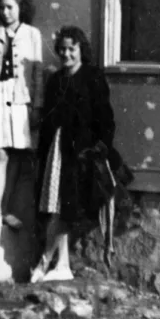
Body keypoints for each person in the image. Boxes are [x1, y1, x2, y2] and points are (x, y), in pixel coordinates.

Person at [31, 26, 116, 283]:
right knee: (57, 205)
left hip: (82, 152)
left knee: (64, 205)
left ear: (81, 50)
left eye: (72, 49)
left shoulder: (92, 76)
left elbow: (105, 116)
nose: (66, 54)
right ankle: (62, 265)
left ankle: (47, 261)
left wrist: (101, 148)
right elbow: (48, 118)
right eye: (63, 49)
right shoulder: (56, 80)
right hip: (57, 149)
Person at [0, 0, 43, 233]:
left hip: (21, 97)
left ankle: (8, 211)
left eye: (10, 8)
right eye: (2, 7)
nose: (5, 13)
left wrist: (36, 106)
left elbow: (36, 74)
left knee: (17, 155)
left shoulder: (32, 35)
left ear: (20, 9)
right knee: (0, 154)